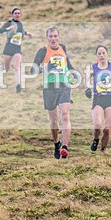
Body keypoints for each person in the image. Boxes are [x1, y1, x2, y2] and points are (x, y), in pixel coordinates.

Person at [32, 26, 75, 159]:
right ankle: (57, 143)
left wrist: (75, 74)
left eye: (55, 36)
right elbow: (32, 70)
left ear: (59, 37)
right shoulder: (43, 51)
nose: (53, 39)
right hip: (49, 88)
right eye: (51, 36)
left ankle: (65, 147)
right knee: (54, 121)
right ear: (47, 38)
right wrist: (45, 69)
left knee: (65, 115)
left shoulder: (63, 48)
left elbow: (68, 65)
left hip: (64, 85)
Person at [85, 45, 111, 152]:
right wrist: (87, 88)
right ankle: (96, 139)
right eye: (99, 54)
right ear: (96, 56)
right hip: (98, 99)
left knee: (107, 129)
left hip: (110, 99)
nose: (102, 55)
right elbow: (87, 78)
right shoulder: (93, 67)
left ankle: (103, 149)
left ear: (107, 54)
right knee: (97, 125)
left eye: (103, 53)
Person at [0, 7, 31, 93]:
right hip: (8, 48)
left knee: (17, 67)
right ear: (13, 14)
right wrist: (8, 29)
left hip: (17, 48)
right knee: (6, 68)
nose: (17, 15)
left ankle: (18, 85)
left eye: (19, 13)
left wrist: (27, 33)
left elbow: (21, 31)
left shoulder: (20, 24)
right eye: (15, 13)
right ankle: (0, 72)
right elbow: (0, 31)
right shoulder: (9, 23)